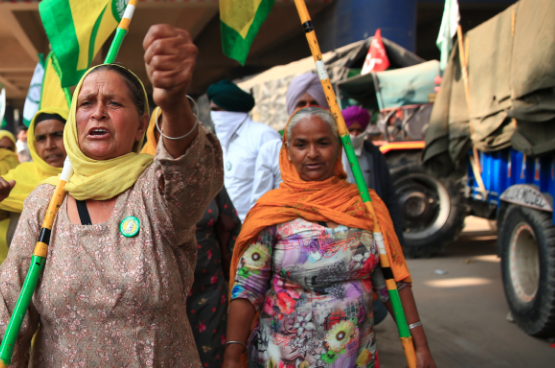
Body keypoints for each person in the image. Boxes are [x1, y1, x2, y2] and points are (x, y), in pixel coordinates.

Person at [0, 25, 222, 367]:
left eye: (114, 103)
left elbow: (189, 177)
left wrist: (175, 104)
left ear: (141, 124)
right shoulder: (45, 203)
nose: (98, 112)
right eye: (86, 104)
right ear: (75, 122)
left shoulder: (154, 190)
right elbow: (9, 310)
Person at [223, 106, 435, 368]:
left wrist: (421, 345)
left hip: (355, 356)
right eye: (301, 144)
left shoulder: (365, 206)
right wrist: (233, 354)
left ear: (338, 147)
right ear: (287, 150)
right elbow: (248, 289)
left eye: (323, 142)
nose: (312, 153)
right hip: (286, 358)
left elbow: (392, 284)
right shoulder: (272, 212)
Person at [142, 107, 242, 367]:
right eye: (167, 131)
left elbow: (230, 225)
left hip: (209, 287)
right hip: (162, 294)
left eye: (183, 131)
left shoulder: (205, 176)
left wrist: (234, 280)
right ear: (154, 135)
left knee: (210, 354)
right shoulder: (141, 180)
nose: (175, 138)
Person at [250, 72, 330, 206]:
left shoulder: (339, 149)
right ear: (292, 108)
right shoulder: (271, 151)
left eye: (314, 103)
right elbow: (260, 206)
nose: (308, 110)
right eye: (301, 104)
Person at [207, 79, 280, 222]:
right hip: (228, 229)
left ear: (230, 108)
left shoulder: (263, 135)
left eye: (217, 110)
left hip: (258, 226)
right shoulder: (219, 143)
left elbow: (279, 185)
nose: (214, 116)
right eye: (212, 111)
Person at [0, 108, 68, 247]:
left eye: (58, 135)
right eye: (41, 138)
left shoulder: (91, 179)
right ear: (33, 143)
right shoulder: (18, 177)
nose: (49, 145)